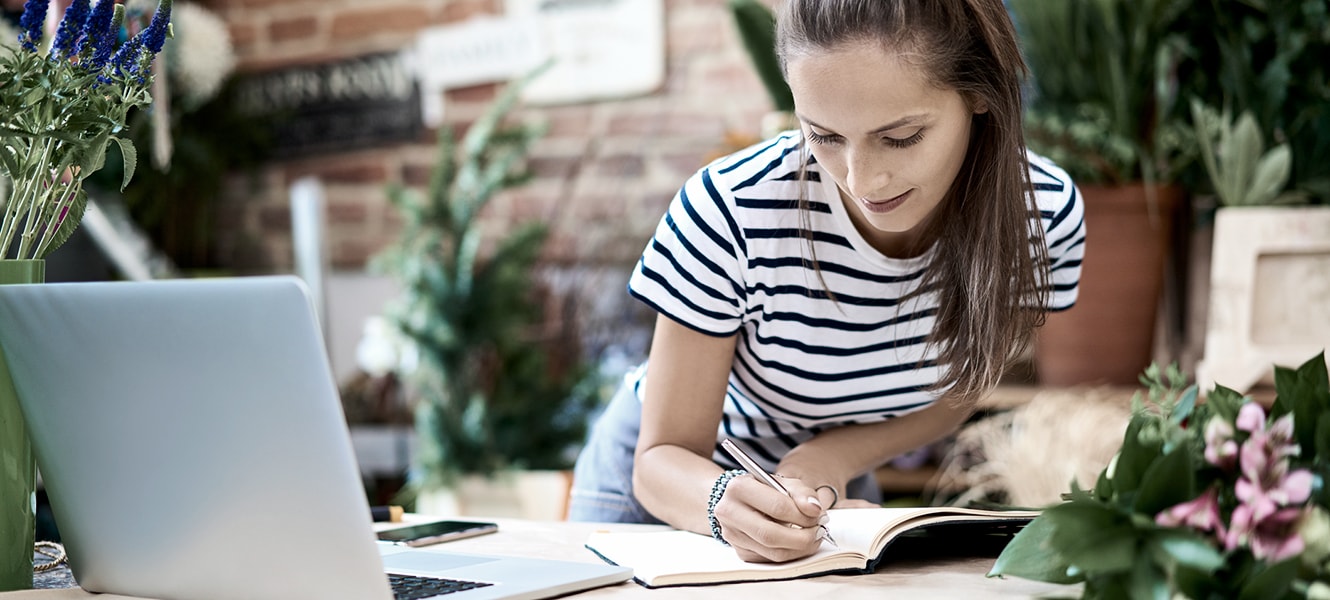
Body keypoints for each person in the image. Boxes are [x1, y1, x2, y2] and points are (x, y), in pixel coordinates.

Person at [568, 0, 1085, 564]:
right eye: (824, 136)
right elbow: (661, 455)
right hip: (672, 494)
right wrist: (723, 503)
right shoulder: (733, 209)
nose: (862, 180)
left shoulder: (1041, 217)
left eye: (901, 136)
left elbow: (960, 388)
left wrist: (829, 461)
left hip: (826, 497)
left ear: (979, 93)